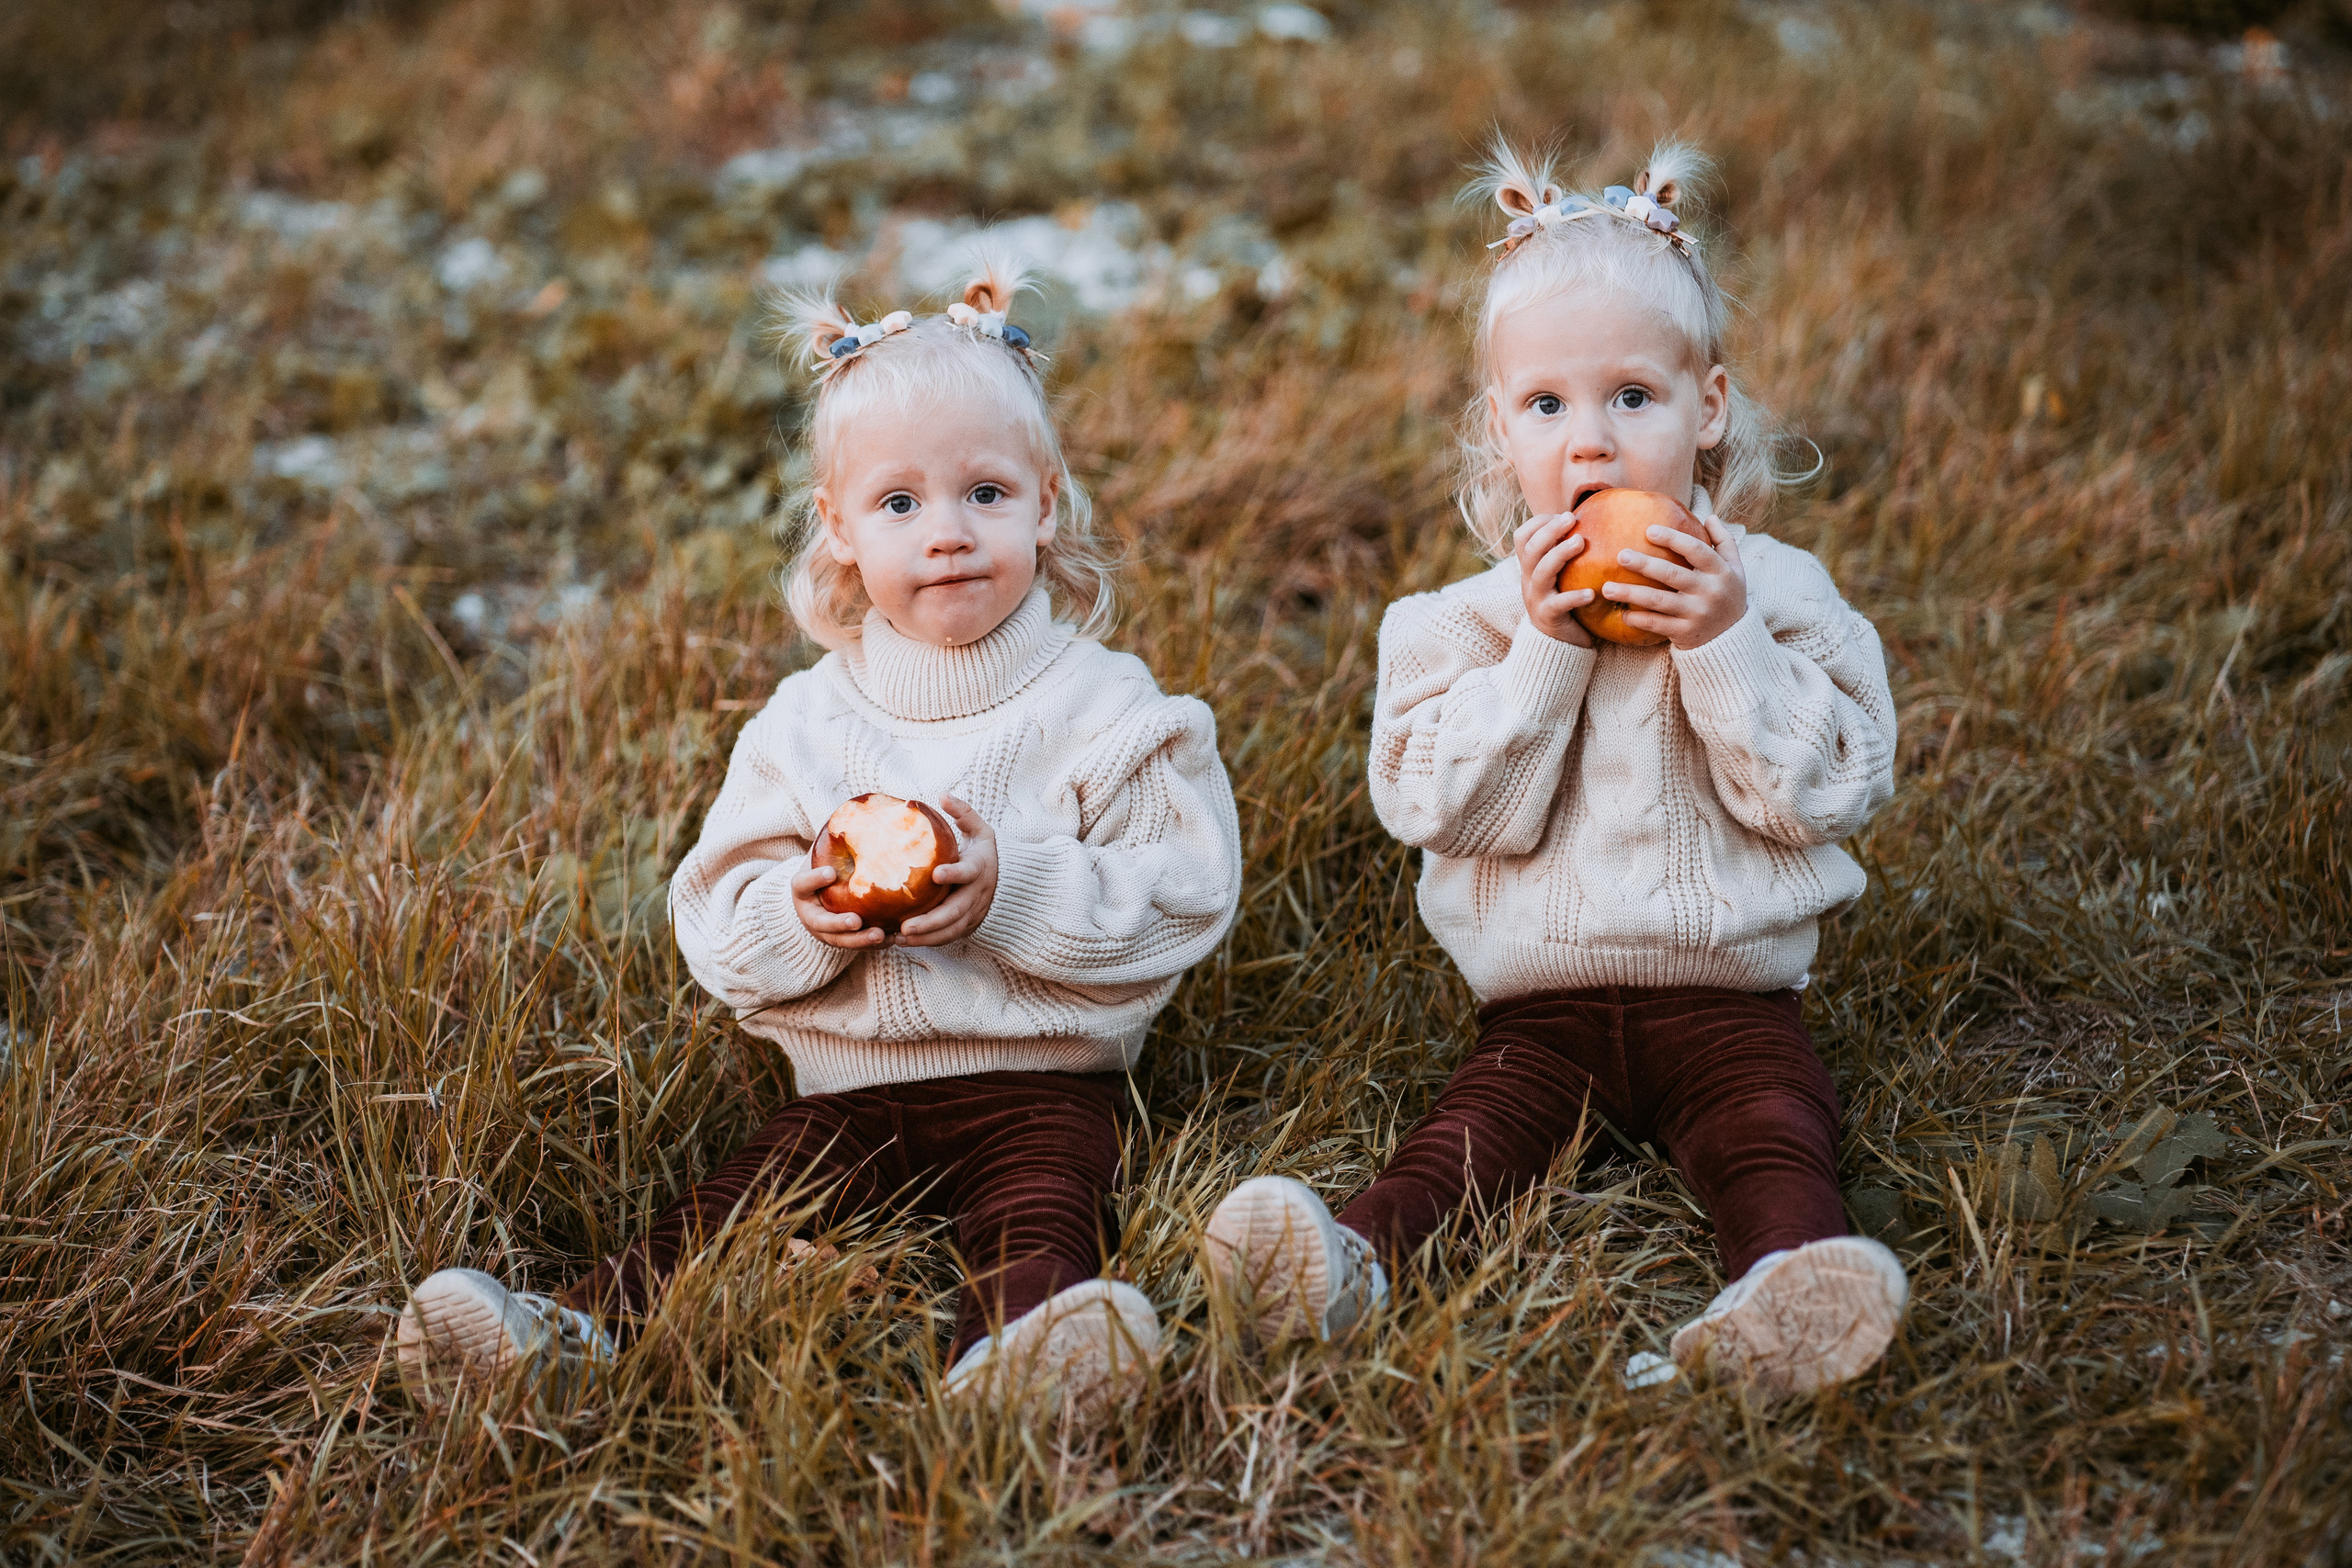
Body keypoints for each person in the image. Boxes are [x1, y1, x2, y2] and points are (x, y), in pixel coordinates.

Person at [396, 260, 1242, 1416]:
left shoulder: (1107, 708)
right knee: (729, 1208)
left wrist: (1014, 887)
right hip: (845, 1088)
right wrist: (802, 917)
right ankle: (573, 1335)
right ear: (839, 530)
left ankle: (1022, 1358)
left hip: (1043, 1078)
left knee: (1042, 1210)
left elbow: (1184, 893)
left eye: (984, 493)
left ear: (1047, 503)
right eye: (900, 504)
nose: (945, 534)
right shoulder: (805, 725)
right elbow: (716, 918)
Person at [1200, 142, 1907, 1396]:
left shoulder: (1779, 597)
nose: (1591, 444)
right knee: (1466, 1147)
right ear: (1499, 427)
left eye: (1633, 396)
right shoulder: (1454, 624)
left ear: (1713, 406)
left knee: (1774, 1137)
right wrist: (1542, 656)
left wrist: (1724, 642)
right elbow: (1437, 805)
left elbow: (1827, 793)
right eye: (1547, 407)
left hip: (1733, 999)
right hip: (1542, 1009)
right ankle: (1347, 1263)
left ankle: (1788, 1286)